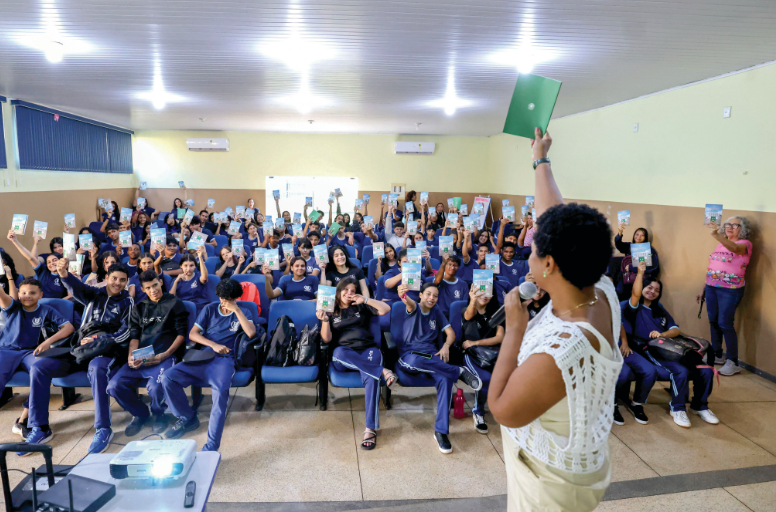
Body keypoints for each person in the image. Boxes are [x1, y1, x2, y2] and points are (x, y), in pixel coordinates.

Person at [488, 128, 623, 512]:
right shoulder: (599, 288)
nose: (527, 253)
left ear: (548, 264)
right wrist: (540, 159)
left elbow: (502, 409)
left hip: (548, 482)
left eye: (532, 249)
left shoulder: (563, 349)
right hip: (581, 458)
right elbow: (555, 219)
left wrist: (514, 331)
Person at [162, 278, 256, 451]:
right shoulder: (210, 308)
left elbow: (250, 333)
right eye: (221, 297)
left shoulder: (244, 312)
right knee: (168, 377)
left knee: (220, 394)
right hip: (202, 355)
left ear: (235, 298)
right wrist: (213, 344)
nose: (223, 302)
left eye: (227, 299)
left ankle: (211, 446)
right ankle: (187, 417)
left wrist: (236, 310)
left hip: (225, 360)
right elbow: (193, 334)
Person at [626, 262, 717, 428]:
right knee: (680, 371)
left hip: (671, 348)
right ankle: (678, 408)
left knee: (706, 370)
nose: (652, 292)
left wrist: (663, 334)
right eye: (649, 288)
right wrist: (640, 273)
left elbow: (675, 329)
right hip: (651, 350)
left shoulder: (659, 309)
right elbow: (635, 294)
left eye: (657, 290)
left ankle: (700, 405)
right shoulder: (633, 307)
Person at [57, 258, 134, 454]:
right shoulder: (93, 294)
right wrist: (64, 273)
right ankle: (36, 425)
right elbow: (76, 287)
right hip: (83, 345)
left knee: (97, 368)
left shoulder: (127, 301)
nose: (118, 283)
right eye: (114, 278)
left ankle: (102, 428)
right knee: (40, 366)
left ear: (127, 282)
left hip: (108, 348)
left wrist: (100, 339)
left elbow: (126, 332)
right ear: (106, 278)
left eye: (122, 280)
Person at [396, 282, 482, 454]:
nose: (431, 298)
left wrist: (446, 346)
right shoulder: (414, 308)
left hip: (432, 356)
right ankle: (458, 371)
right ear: (420, 295)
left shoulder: (437, 312)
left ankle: (441, 431)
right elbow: (409, 303)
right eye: (428, 294)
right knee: (417, 362)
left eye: (435, 296)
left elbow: (451, 334)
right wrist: (404, 296)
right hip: (410, 356)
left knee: (445, 378)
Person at [108, 270, 188, 437]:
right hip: (142, 355)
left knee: (156, 386)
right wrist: (131, 355)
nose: (153, 290)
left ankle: (159, 414)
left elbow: (181, 334)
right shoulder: (140, 307)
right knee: (114, 386)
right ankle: (140, 413)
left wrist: (165, 355)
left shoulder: (175, 303)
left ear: (160, 283)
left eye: (155, 285)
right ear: (143, 289)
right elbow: (134, 335)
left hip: (165, 355)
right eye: (148, 288)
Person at [319, 277, 395, 449]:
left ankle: (370, 429)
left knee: (371, 376)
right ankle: (382, 370)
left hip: (367, 349)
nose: (349, 293)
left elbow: (386, 309)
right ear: (338, 292)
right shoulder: (331, 311)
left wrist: (365, 299)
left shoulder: (361, 306)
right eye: (345, 290)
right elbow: (326, 339)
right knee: (338, 353)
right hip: (344, 353)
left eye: (353, 291)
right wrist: (324, 321)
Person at [0, 276, 74, 452]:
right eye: (23, 292)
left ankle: (36, 425)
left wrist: (48, 342)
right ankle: (22, 421)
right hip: (5, 351)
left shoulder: (46, 310)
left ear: (40, 294)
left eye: (32, 293)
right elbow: (2, 296)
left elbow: (69, 327)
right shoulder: (13, 307)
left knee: (39, 371)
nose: (27, 296)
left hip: (30, 352)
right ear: (18, 294)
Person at [698, 216, 752, 376]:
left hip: (730, 289)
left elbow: (735, 249)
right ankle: (717, 355)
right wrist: (704, 287)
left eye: (736, 225)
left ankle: (733, 362)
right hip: (712, 287)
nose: (730, 227)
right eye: (728, 224)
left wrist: (716, 234)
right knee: (713, 321)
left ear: (743, 229)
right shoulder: (721, 242)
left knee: (725, 323)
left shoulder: (745, 244)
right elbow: (715, 266)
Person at [461, 284, 505, 434]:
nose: (485, 295)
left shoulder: (497, 314)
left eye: (488, 292)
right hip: (472, 355)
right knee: (485, 379)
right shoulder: (467, 311)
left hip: (491, 355)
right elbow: (468, 315)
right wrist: (473, 300)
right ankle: (478, 412)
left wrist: (476, 342)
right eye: (481, 292)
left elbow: (500, 337)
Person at [613, 320, 656, 426]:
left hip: (619, 344)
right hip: (603, 347)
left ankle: (637, 404)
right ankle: (611, 404)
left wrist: (624, 342)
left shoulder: (612, 304)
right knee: (623, 373)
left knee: (649, 370)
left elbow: (619, 323)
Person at [6, 231, 69, 299]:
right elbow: (31, 258)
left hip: (58, 307)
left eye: (55, 260)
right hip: (41, 305)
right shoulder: (43, 271)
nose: (52, 263)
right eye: (49, 262)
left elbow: (70, 295)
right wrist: (15, 241)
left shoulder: (67, 275)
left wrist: (57, 304)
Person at [615, 225, 659, 299]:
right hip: (626, 277)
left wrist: (632, 267)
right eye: (637, 234)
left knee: (634, 295)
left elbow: (654, 266)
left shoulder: (649, 249)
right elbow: (619, 245)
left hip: (641, 278)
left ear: (646, 237)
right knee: (619, 292)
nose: (639, 237)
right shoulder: (630, 246)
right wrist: (620, 232)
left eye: (642, 235)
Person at [170, 248, 210, 313]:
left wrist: (200, 257)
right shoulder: (176, 280)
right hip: (184, 308)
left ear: (195, 266)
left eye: (191, 266)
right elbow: (171, 297)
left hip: (200, 307)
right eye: (185, 266)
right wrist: (175, 282)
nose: (188, 269)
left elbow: (204, 277)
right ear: (181, 266)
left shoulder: (198, 275)